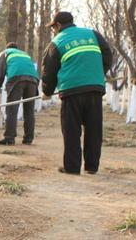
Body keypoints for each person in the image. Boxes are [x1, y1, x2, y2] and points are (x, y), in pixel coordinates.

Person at [40, 11, 112, 175]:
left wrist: (47, 91)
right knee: (94, 128)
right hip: (94, 88)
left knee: (71, 129)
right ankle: (92, 167)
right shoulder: (92, 34)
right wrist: (97, 73)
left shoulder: (56, 42)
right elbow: (108, 55)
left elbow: (49, 71)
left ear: (58, 26)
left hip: (71, 90)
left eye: (54, 28)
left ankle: (72, 167)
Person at [0, 42, 39, 145]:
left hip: (17, 80)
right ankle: (28, 138)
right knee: (29, 111)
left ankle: (9, 138)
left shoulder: (4, 53)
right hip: (33, 81)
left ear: (7, 48)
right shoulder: (25, 54)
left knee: (12, 110)